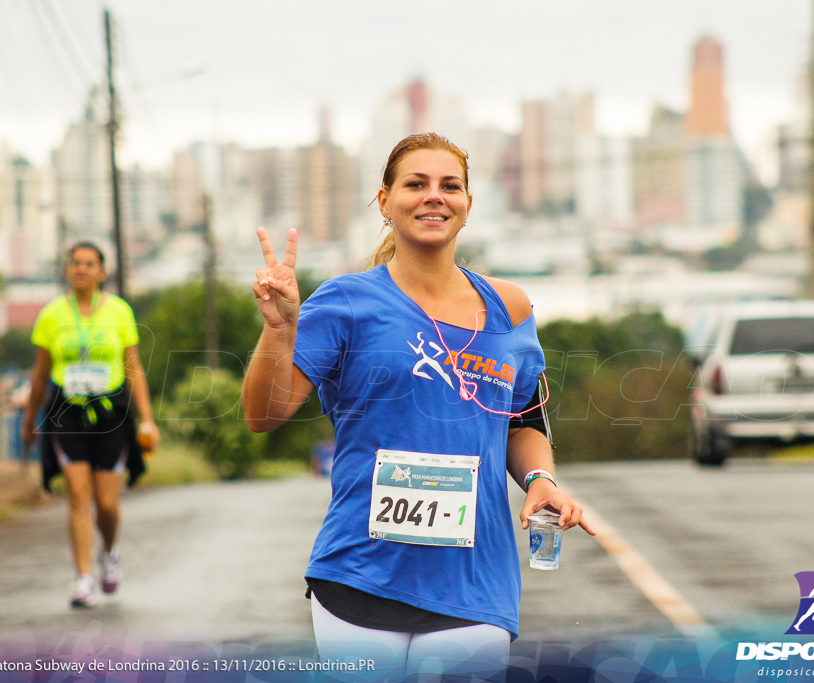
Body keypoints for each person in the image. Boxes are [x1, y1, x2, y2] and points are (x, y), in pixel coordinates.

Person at [242, 133, 595, 679]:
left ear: (468, 205)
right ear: (384, 202)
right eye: (416, 184)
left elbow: (523, 423)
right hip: (359, 574)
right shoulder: (345, 301)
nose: (435, 196)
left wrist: (542, 481)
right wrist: (281, 328)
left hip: (474, 585)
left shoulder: (510, 308)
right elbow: (263, 414)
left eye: (449, 186)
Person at [21, 241, 158, 608]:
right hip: (67, 412)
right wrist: (29, 418)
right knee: (78, 497)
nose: (81, 268)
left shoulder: (119, 311)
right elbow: (39, 373)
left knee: (107, 503)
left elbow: (134, 367)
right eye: (75, 263)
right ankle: (83, 579)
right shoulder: (50, 315)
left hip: (111, 414)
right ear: (66, 270)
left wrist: (147, 419)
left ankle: (109, 554)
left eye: (90, 263)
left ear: (102, 272)